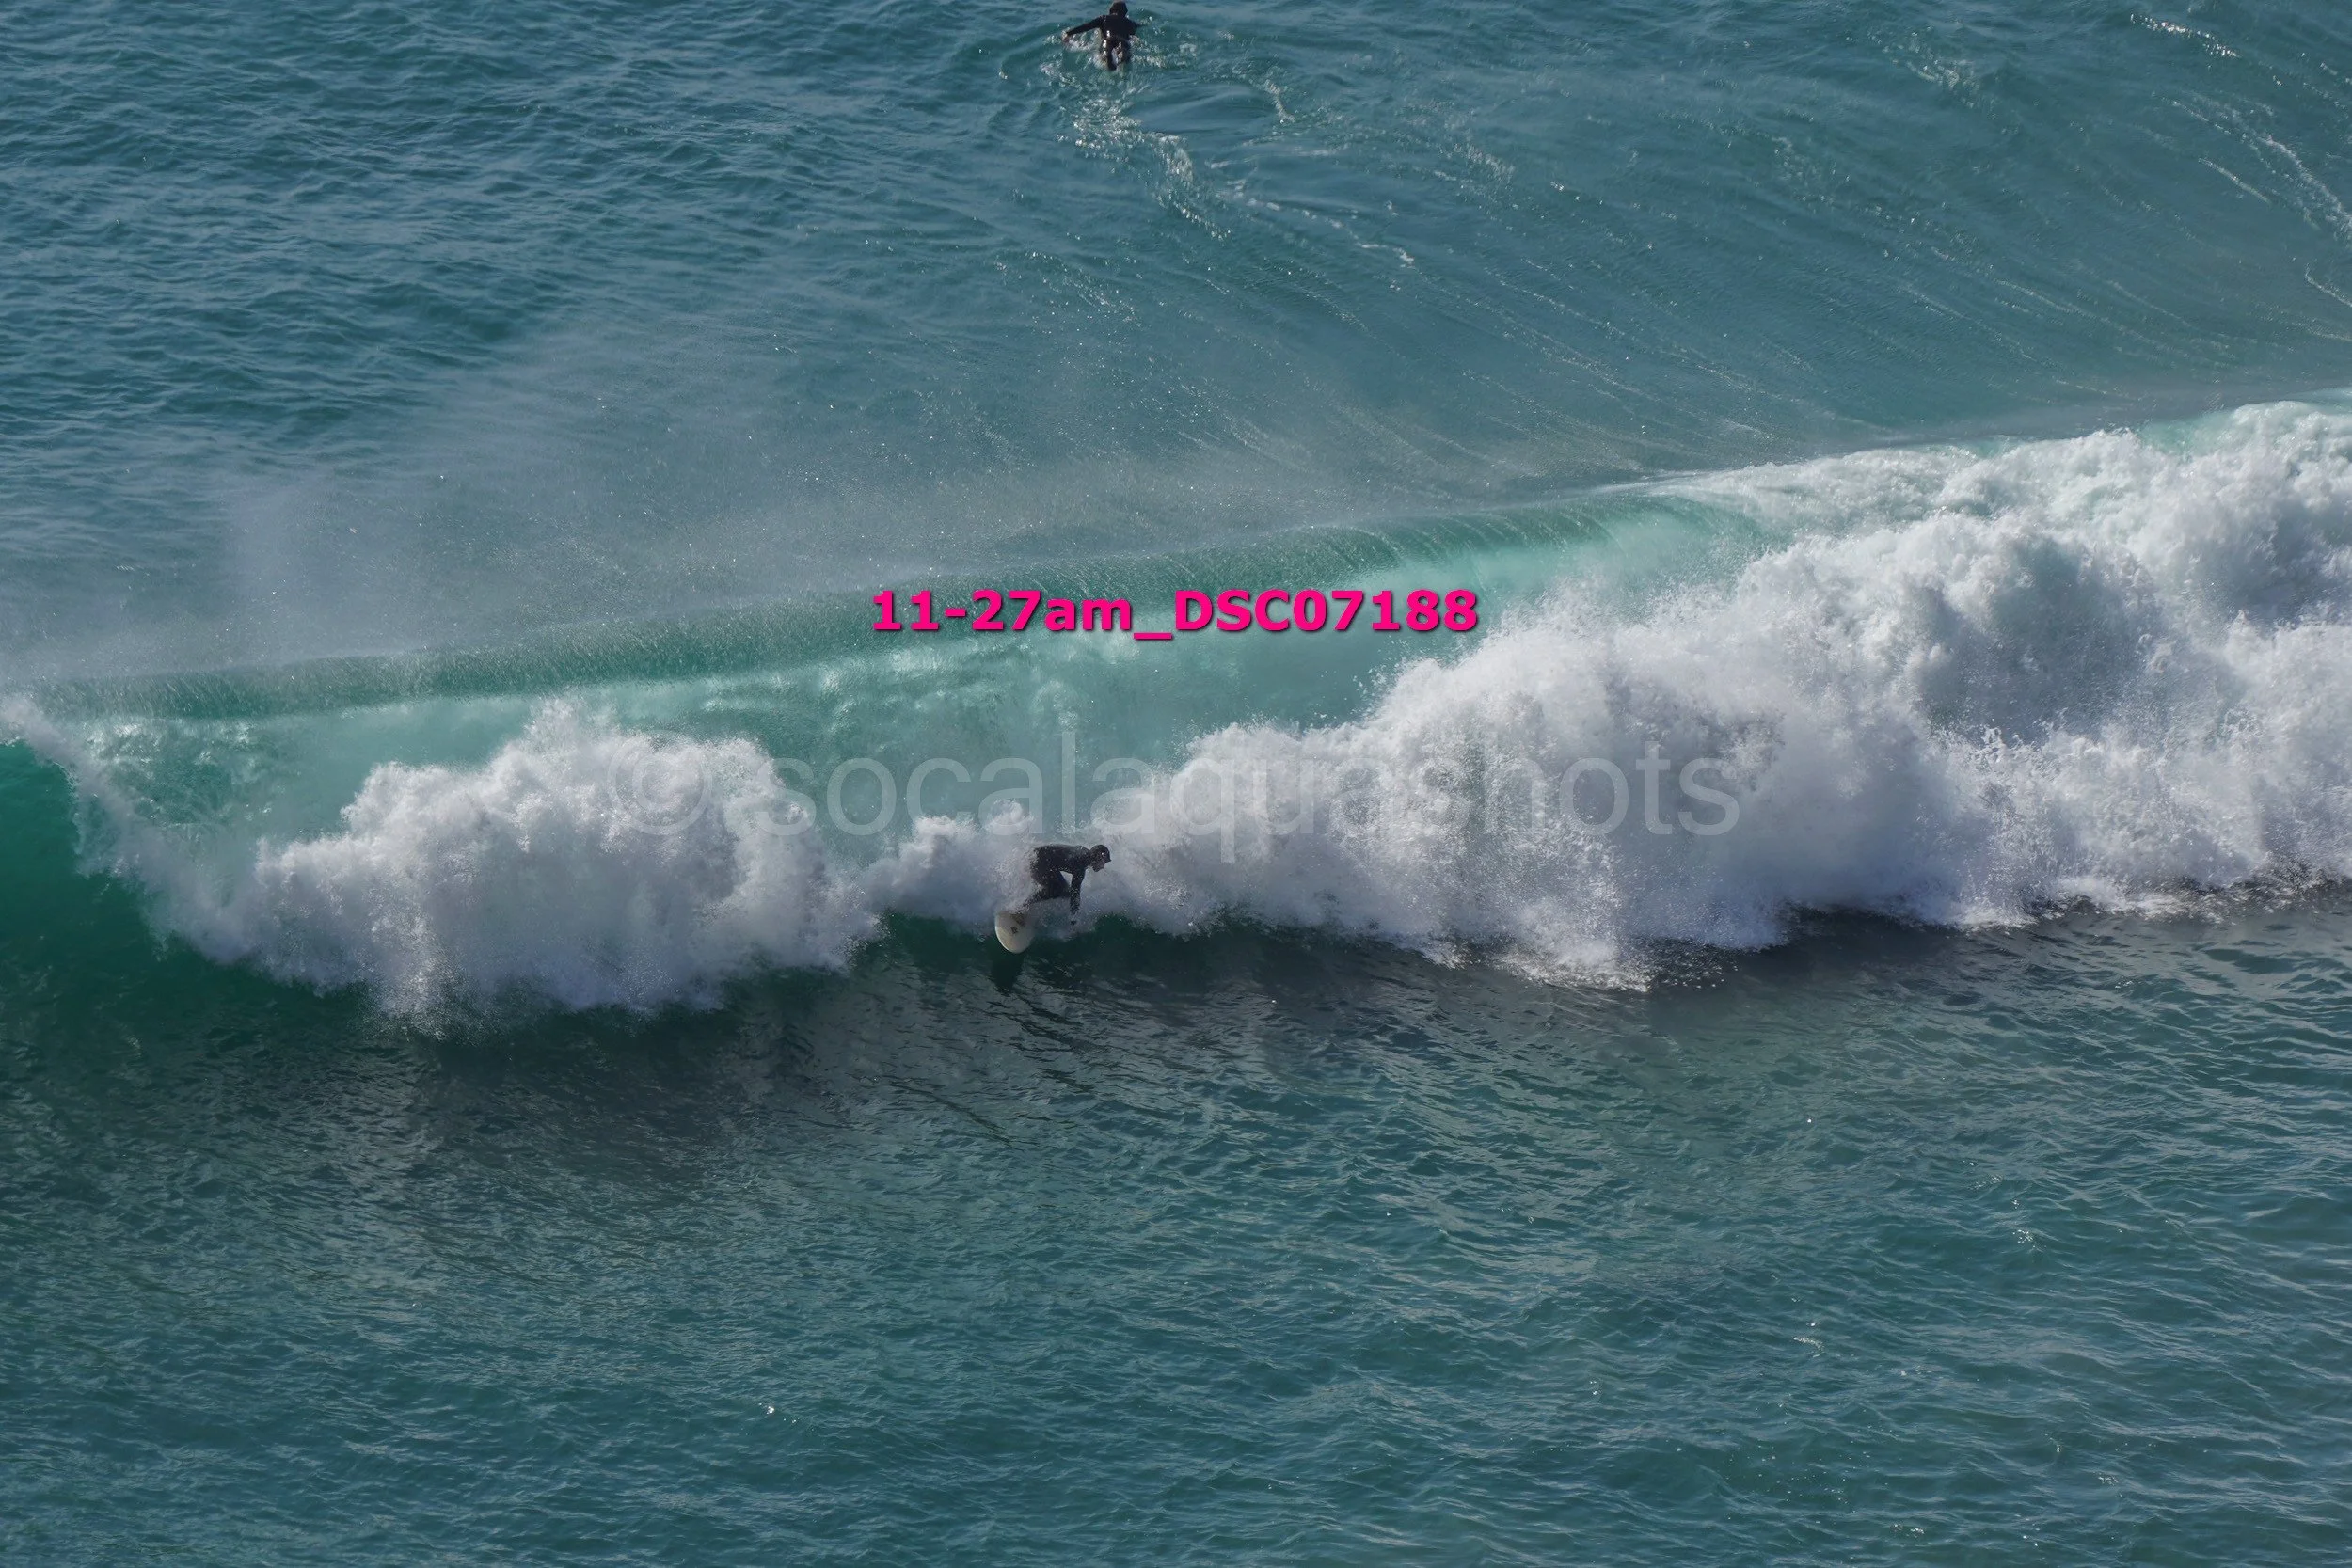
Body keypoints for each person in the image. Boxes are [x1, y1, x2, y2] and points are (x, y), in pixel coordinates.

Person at [1030, 843, 1111, 913]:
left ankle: (1034, 896)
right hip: (1038, 861)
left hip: (1042, 858)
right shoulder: (1080, 865)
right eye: (1104, 862)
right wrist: (1074, 921)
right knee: (1057, 891)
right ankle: (1023, 906)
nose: (1103, 866)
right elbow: (1075, 895)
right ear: (1097, 858)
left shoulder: (1085, 854)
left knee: (1065, 892)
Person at [1062, 2, 1139, 70]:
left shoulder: (1104, 18)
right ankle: (1123, 57)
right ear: (1125, 12)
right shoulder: (1130, 22)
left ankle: (1109, 62)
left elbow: (1086, 26)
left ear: (1111, 10)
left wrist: (1068, 33)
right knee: (1124, 54)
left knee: (1106, 53)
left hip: (1108, 40)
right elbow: (1138, 28)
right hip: (1123, 41)